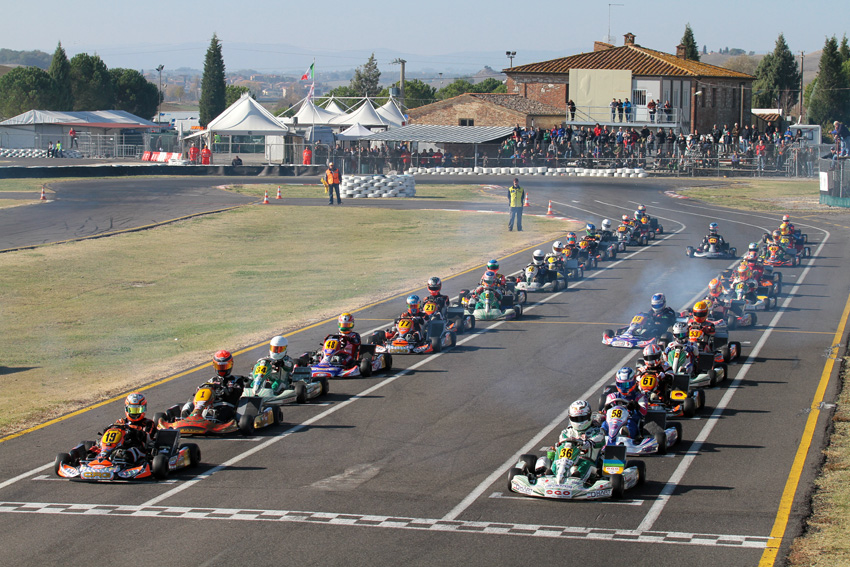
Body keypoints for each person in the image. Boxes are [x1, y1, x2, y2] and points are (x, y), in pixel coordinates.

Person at [551, 400, 605, 484]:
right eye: (575, 419)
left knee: (584, 466)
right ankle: (551, 476)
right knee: (550, 460)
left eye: (581, 418)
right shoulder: (566, 432)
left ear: (589, 416)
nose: (579, 421)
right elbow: (562, 443)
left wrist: (589, 442)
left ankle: (576, 481)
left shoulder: (596, 431)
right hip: (568, 461)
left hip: (588, 461)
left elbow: (600, 439)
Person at [106, 393, 157, 464]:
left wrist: (133, 432)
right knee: (101, 450)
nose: (134, 413)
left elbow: (148, 439)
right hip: (120, 446)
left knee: (127, 455)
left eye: (137, 410)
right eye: (132, 410)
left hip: (138, 448)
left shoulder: (148, 423)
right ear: (126, 409)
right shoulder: (121, 422)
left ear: (144, 408)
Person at [601, 368, 648, 440]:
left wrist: (636, 406)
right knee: (604, 424)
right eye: (621, 384)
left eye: (627, 384)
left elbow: (644, 413)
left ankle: (626, 437)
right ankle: (602, 436)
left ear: (633, 382)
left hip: (629, 420)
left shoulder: (640, 397)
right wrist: (606, 408)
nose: (624, 387)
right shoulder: (612, 396)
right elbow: (605, 413)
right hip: (612, 421)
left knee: (629, 426)